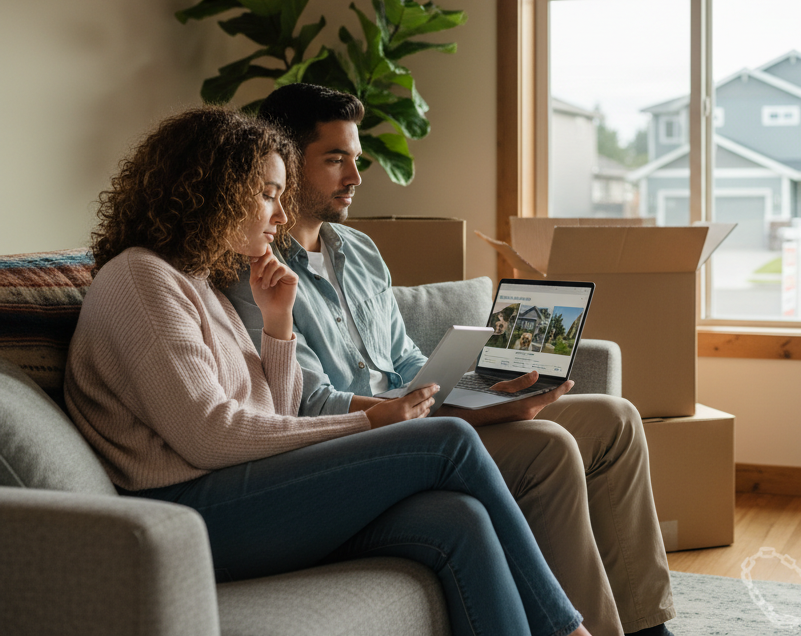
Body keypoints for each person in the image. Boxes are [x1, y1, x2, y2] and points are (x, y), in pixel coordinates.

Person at [64, 106, 592, 636]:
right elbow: (210, 435)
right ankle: (569, 632)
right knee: (449, 439)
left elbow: (273, 410)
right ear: (213, 190)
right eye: (269, 193)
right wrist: (370, 421)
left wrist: (277, 324)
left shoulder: (200, 283)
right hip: (182, 512)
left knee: (460, 519)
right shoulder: (141, 278)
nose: (279, 213)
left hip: (231, 490)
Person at [227, 84, 677, 636]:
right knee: (551, 446)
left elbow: (404, 356)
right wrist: (452, 412)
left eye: (357, 158)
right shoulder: (257, 274)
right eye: (335, 159)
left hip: (430, 408)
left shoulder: (360, 250)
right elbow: (310, 403)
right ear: (287, 166)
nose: (356, 176)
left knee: (616, 420)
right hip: (377, 440)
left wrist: (477, 383)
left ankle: (648, 630)